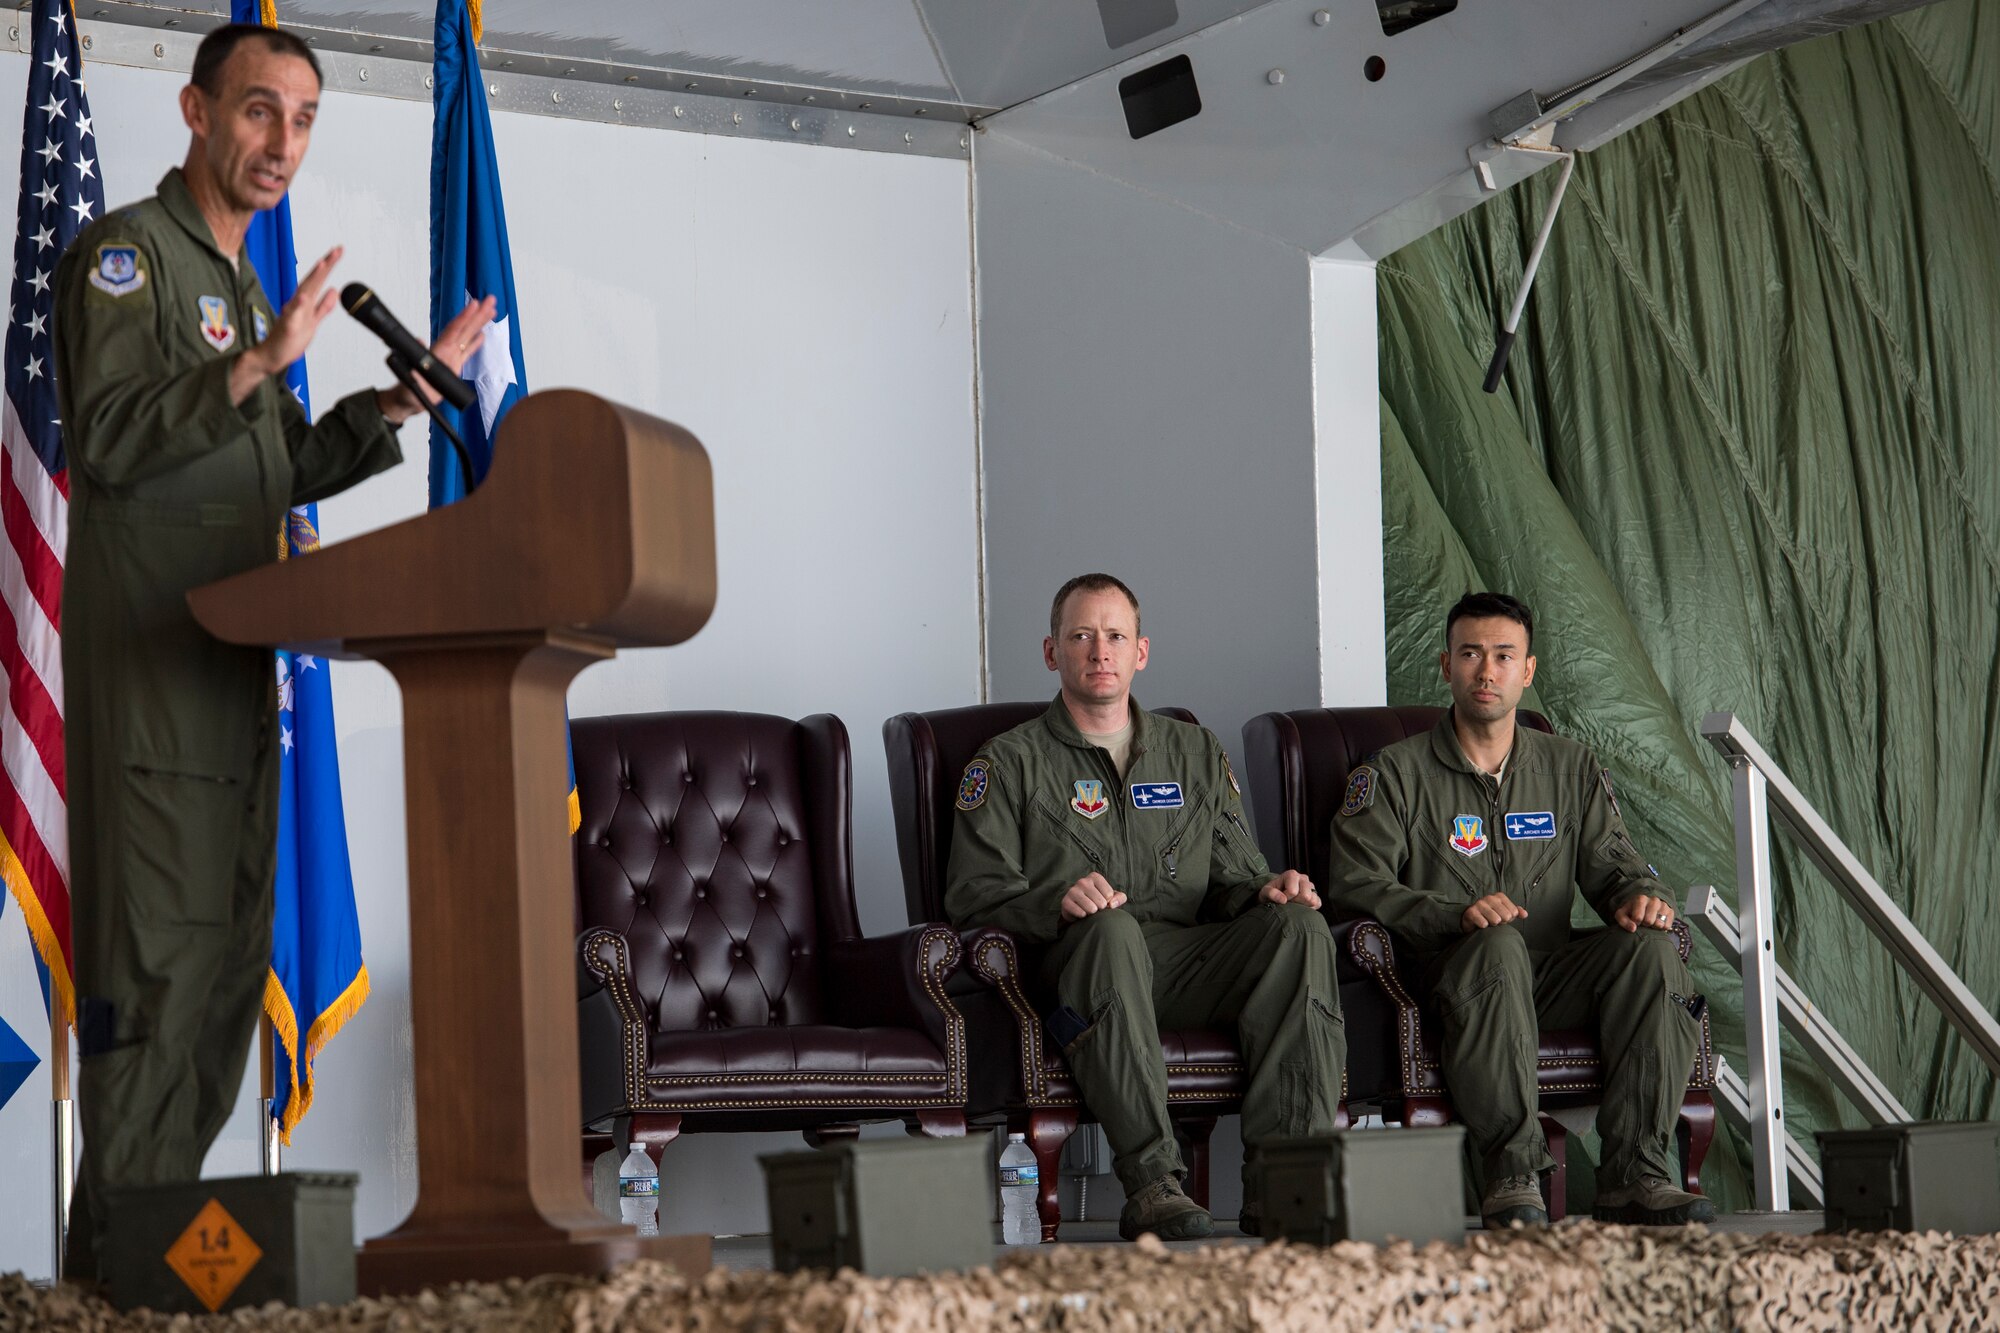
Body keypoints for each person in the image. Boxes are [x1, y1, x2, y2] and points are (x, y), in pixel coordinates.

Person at [52, 23, 497, 1277]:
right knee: (153, 1013)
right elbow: (116, 437)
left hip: (233, 697)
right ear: (195, 112)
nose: (281, 144)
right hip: (152, 710)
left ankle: (133, 1287)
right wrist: (255, 362)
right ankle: (112, 1300)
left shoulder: (248, 286)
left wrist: (395, 405)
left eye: (302, 120)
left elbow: (273, 466)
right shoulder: (129, 257)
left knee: (210, 1011)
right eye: (258, 112)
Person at [946, 573, 1347, 1240]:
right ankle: (1153, 1181)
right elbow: (972, 896)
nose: (1099, 650)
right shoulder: (1008, 762)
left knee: (1296, 928)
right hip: (1079, 971)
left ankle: (1288, 1183)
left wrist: (1264, 889)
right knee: (1111, 929)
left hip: (1182, 962)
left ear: (1142, 652)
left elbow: (1232, 874)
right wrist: (1056, 899)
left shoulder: (1193, 752)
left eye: (1115, 636)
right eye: (1081, 635)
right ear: (1052, 652)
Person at [1329, 592, 1714, 1228]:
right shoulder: (1394, 773)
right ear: (1445, 663)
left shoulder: (1570, 767)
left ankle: (1635, 1175)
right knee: (1498, 943)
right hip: (1455, 977)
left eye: (1504, 656)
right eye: (1471, 654)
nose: (1487, 671)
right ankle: (1511, 1174)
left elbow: (1618, 868)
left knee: (1649, 951)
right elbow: (1354, 884)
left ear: (1527, 670)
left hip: (1550, 978)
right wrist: (1454, 913)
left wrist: (1642, 899)